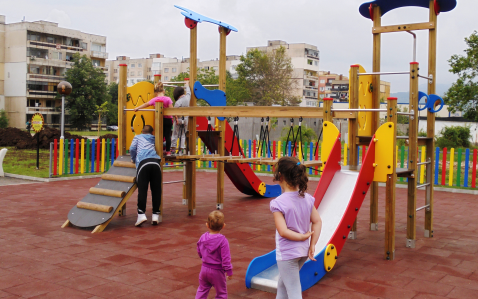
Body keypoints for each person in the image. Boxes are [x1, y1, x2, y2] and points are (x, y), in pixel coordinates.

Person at [270, 156, 322, 299]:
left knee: (293, 289)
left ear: (280, 177)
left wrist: (302, 236)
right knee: (283, 283)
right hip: (303, 252)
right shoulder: (307, 199)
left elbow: (283, 231)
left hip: (287, 254)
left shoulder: (278, 203)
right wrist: (312, 244)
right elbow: (317, 221)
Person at [129, 125, 162, 226]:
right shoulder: (155, 138)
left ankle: (141, 215)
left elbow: (132, 148)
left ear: (142, 131)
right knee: (156, 190)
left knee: (142, 190)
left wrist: (133, 159)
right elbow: (163, 144)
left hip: (143, 163)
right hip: (156, 163)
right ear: (152, 132)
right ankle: (155, 215)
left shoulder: (137, 137)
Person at [195, 210, 233, 299]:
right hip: (217, 271)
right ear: (223, 226)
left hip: (204, 269)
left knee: (202, 289)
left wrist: (202, 256)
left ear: (207, 225)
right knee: (221, 293)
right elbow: (226, 258)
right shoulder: (223, 241)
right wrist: (229, 271)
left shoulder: (203, 237)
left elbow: (198, 248)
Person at [134, 81, 173, 155]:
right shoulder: (168, 99)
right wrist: (176, 118)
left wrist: (137, 108)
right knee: (168, 135)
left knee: (160, 135)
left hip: (160, 120)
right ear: (163, 91)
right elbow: (172, 109)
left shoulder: (154, 99)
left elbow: (146, 104)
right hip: (168, 120)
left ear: (155, 93)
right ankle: (168, 151)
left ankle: (159, 150)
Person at [171, 84, 191, 154]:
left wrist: (175, 119)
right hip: (185, 119)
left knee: (175, 134)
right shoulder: (187, 98)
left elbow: (174, 112)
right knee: (183, 134)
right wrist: (187, 85)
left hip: (178, 119)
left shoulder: (178, 102)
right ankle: (181, 149)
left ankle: (173, 149)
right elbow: (189, 92)